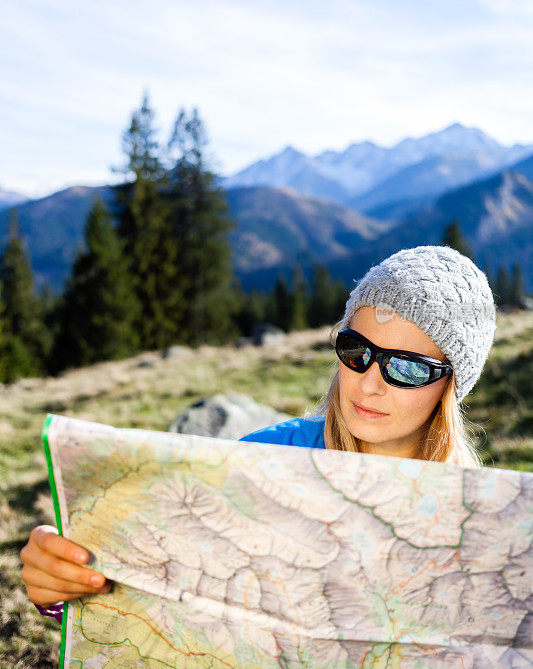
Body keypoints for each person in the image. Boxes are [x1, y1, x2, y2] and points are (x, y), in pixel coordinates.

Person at [20, 245, 497, 623]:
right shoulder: (259, 459)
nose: (369, 383)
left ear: (451, 388)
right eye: (356, 350)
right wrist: (63, 583)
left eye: (408, 369)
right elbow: (152, 578)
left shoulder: (485, 524)